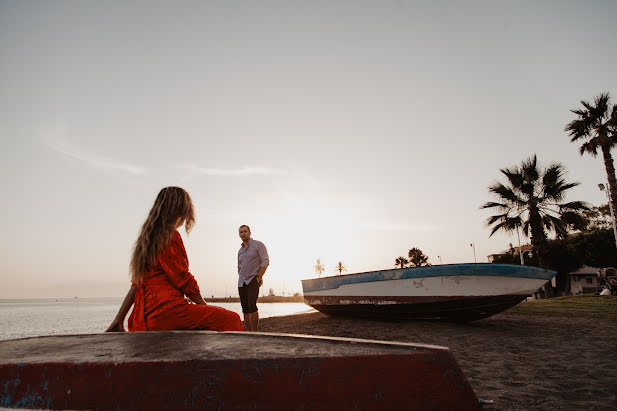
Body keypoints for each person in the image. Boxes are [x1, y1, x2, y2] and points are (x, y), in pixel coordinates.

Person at [105, 187, 243, 332]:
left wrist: (119, 319)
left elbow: (136, 284)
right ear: (180, 210)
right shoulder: (170, 236)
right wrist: (203, 304)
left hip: (145, 316)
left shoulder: (146, 241)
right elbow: (182, 278)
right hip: (167, 311)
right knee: (231, 319)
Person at [237, 225, 269, 331]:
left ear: (250, 233)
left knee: (252, 306)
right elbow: (239, 267)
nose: (243, 233)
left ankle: (255, 333)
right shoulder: (240, 251)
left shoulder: (258, 245)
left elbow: (265, 261)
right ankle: (248, 333)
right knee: (245, 308)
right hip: (241, 282)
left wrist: (259, 277)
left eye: (245, 231)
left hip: (253, 279)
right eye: (241, 232)